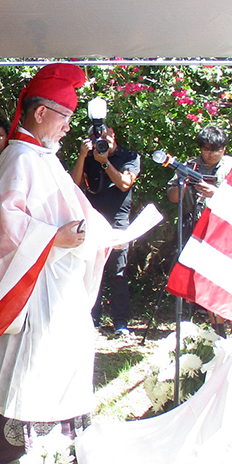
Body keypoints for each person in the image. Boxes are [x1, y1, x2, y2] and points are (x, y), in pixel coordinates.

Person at [0, 64, 110, 464]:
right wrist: (54, 239)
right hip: (34, 282)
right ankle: (17, 452)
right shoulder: (19, 156)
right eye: (64, 117)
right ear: (40, 114)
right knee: (31, 360)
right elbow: (6, 221)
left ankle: (61, 445)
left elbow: (74, 209)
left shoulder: (43, 157)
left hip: (58, 278)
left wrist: (102, 234)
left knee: (62, 357)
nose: (69, 126)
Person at [71, 125, 139, 335]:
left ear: (113, 135)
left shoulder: (129, 156)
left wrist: (105, 162)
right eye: (97, 138)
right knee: (91, 268)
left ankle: (121, 322)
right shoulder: (90, 156)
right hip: (93, 219)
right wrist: (83, 156)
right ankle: (92, 318)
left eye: (106, 137)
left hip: (118, 220)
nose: (102, 141)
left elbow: (125, 184)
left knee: (118, 270)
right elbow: (74, 184)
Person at [166, 123, 232, 238]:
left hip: (223, 226)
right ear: (200, 148)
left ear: (224, 149)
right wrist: (184, 183)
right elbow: (173, 198)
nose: (212, 154)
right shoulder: (189, 166)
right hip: (192, 225)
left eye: (217, 150)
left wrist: (215, 193)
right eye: (207, 149)